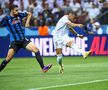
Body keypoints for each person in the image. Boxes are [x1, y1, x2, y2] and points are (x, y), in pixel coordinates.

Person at [0, 5, 52, 73]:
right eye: (16, 10)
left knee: (36, 49)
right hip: (14, 42)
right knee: (8, 58)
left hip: (23, 40)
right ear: (12, 10)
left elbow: (29, 13)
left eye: (17, 10)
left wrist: (27, 23)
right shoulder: (6, 19)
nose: (17, 11)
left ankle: (43, 68)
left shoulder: (19, 15)